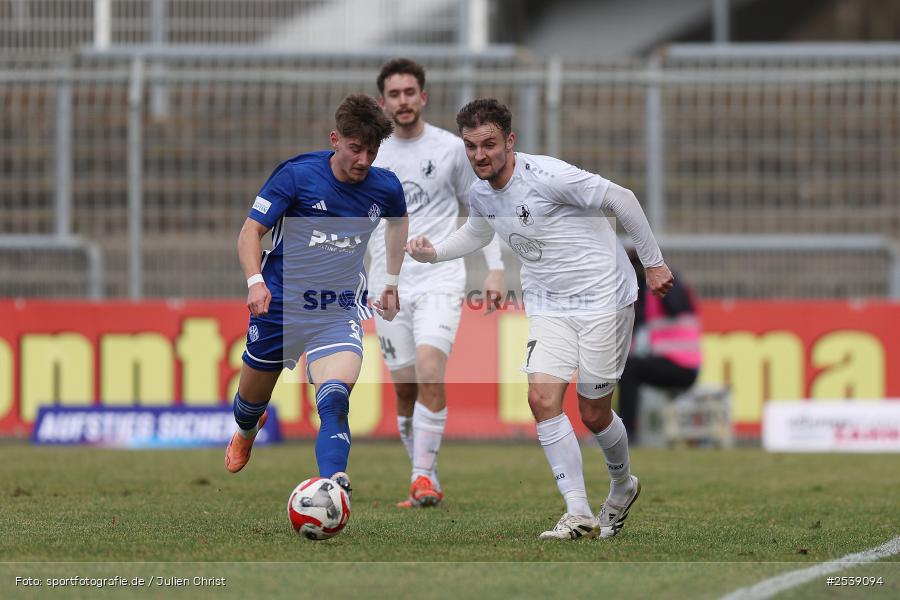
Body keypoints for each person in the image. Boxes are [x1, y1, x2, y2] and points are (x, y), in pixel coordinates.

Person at [406, 99, 673, 540]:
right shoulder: (480, 193)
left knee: (592, 411)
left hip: (605, 299)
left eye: (489, 144)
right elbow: (479, 230)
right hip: (549, 305)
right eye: (471, 147)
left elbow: (621, 199)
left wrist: (654, 263)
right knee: (541, 399)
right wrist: (434, 253)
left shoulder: (549, 176)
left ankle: (623, 484)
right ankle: (579, 512)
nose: (480, 156)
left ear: (510, 141)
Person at [225, 94, 409, 503]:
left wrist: (391, 280)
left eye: (372, 151)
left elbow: (399, 224)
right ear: (335, 139)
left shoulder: (386, 188)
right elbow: (250, 232)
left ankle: (333, 482)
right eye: (355, 148)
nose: (363, 160)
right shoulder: (297, 176)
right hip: (280, 307)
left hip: (336, 308)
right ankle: (245, 432)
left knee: (334, 397)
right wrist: (256, 281)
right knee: (249, 405)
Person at [369, 58, 506, 508]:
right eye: (395, 94)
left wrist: (495, 268)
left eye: (411, 93)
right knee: (405, 387)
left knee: (430, 371)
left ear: (423, 97)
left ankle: (421, 478)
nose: (403, 101)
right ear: (383, 101)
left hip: (440, 278)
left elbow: (480, 206)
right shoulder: (371, 154)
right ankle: (424, 474)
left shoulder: (450, 149)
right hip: (386, 284)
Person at [617, 251, 701, 443]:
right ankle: (622, 429)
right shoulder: (649, 296)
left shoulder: (672, 286)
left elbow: (674, 306)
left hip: (682, 366)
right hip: (672, 363)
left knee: (630, 369)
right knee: (625, 368)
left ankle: (627, 433)